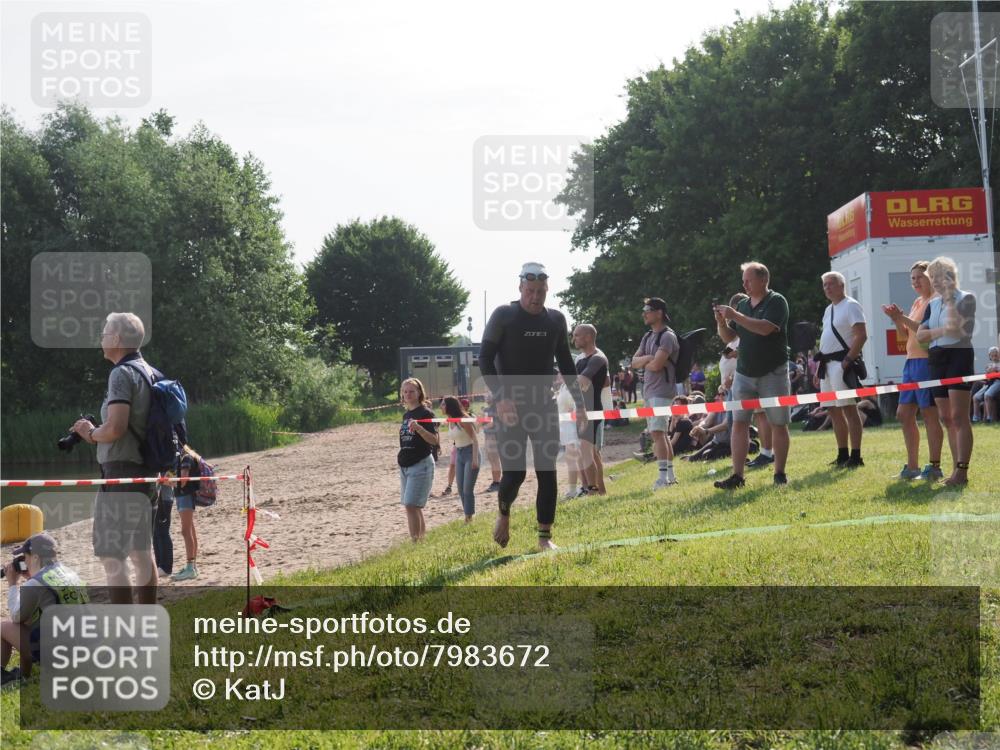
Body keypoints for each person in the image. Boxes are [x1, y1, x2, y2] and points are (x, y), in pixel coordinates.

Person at [478, 262, 586, 550]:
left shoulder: (555, 320)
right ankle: (503, 514)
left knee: (547, 470)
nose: (535, 297)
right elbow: (485, 358)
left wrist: (581, 404)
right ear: (520, 288)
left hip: (543, 405)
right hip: (509, 406)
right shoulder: (504, 315)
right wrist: (500, 397)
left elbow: (565, 362)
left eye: (540, 291)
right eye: (530, 291)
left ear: (547, 289)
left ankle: (544, 538)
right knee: (515, 473)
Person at [71, 312, 159, 605]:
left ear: (118, 339)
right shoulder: (150, 372)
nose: (101, 338)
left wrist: (90, 432)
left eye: (105, 332)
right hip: (146, 472)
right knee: (142, 552)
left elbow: (117, 427)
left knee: (112, 555)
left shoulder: (121, 373)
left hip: (121, 473)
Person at [712, 262, 792, 488]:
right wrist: (721, 323)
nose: (744, 284)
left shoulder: (777, 301)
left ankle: (779, 474)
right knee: (739, 423)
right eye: (743, 280)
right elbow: (730, 337)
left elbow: (765, 328)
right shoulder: (744, 306)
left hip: (773, 372)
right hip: (744, 373)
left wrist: (734, 315)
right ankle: (737, 476)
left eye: (748, 280)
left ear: (763, 280)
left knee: (779, 423)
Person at [917, 256, 978, 486]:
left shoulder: (966, 298)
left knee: (959, 416)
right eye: (932, 277)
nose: (935, 282)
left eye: (939, 276)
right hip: (936, 358)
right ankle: (955, 469)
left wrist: (951, 298)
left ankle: (961, 470)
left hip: (958, 356)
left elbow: (956, 331)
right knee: (945, 417)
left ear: (951, 276)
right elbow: (921, 337)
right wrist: (939, 331)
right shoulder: (932, 304)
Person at [881, 260, 945, 480]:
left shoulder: (936, 300)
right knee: (903, 414)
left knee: (929, 414)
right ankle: (912, 467)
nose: (916, 282)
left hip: (927, 363)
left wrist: (901, 318)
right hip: (911, 362)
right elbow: (904, 335)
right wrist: (896, 320)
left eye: (920, 277)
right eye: (913, 279)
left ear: (931, 278)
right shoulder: (918, 301)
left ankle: (935, 467)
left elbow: (924, 332)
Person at [2, 533, 87, 685]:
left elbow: (16, 615)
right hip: (82, 649)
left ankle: (10, 675)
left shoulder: (35, 584)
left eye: (26, 557)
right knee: (30, 619)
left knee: (4, 627)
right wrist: (31, 578)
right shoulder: (70, 573)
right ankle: (26, 670)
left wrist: (12, 583)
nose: (25, 562)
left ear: (35, 557)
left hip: (59, 655)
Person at [815, 271, 869, 469]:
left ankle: (856, 455)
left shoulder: (851, 305)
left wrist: (848, 359)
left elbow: (861, 335)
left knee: (848, 409)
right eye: (825, 285)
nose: (827, 288)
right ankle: (842, 454)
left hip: (841, 364)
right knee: (833, 410)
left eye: (831, 284)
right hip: (827, 365)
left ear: (841, 285)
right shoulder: (829, 309)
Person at [631, 297, 680, 490]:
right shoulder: (647, 336)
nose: (644, 313)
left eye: (647, 309)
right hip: (650, 391)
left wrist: (647, 361)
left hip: (661, 391)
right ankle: (670, 476)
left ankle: (662, 479)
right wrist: (648, 358)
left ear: (659, 312)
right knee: (660, 434)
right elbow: (634, 362)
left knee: (658, 433)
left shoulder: (668, 336)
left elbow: (657, 365)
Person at [397, 377, 439, 541]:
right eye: (405, 391)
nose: (408, 394)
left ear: (419, 392)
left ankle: (416, 542)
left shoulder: (426, 413)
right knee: (412, 507)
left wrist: (420, 429)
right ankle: (420, 540)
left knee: (411, 505)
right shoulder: (406, 415)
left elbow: (434, 440)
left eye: (411, 391)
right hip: (405, 465)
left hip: (421, 464)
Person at [572, 324, 609, 496]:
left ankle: (592, 491)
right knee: (590, 453)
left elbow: (582, 380)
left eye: (577, 335)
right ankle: (599, 490)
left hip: (592, 410)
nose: (574, 339)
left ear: (587, 337)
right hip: (581, 409)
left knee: (587, 452)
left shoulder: (598, 358)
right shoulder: (580, 358)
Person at [442, 396, 480, 522]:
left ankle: (468, 517)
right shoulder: (450, 420)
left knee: (467, 488)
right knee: (460, 489)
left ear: (449, 406)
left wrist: (475, 459)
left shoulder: (463, 419)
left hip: (470, 452)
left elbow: (475, 439)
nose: (441, 407)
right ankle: (468, 514)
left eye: (443, 404)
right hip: (459, 453)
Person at [171, 445, 205, 581]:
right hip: (183, 496)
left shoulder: (186, 458)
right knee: (190, 530)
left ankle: (190, 567)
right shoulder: (184, 458)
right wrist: (169, 479)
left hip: (185, 496)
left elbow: (183, 481)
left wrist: (167, 480)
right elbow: (176, 479)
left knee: (186, 531)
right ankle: (192, 566)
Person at [556, 374, 583, 498]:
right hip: (565, 429)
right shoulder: (563, 386)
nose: (558, 374)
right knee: (572, 460)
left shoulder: (571, 386)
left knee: (573, 460)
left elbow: (576, 407)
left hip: (571, 429)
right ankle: (580, 487)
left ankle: (574, 490)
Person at [971, 346, 1000, 424]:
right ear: (990, 356)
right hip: (989, 383)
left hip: (998, 382)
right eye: (992, 355)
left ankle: (989, 418)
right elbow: (988, 375)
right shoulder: (989, 365)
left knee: (987, 395)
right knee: (975, 397)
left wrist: (995, 370)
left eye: (996, 355)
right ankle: (975, 419)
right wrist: (989, 371)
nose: (994, 357)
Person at [480, 394, 502, 492]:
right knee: (492, 459)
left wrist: (483, 426)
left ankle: (497, 482)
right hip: (488, 436)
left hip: (494, 436)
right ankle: (496, 481)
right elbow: (482, 423)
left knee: (494, 459)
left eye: (489, 395)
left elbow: (493, 423)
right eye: (486, 395)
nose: (486, 397)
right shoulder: (486, 409)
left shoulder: (496, 408)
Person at [152, 482, 174, 578]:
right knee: (155, 533)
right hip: (156, 499)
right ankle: (159, 565)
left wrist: (158, 480)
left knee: (162, 532)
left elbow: (171, 481)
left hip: (164, 499)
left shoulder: (169, 466)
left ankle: (166, 567)